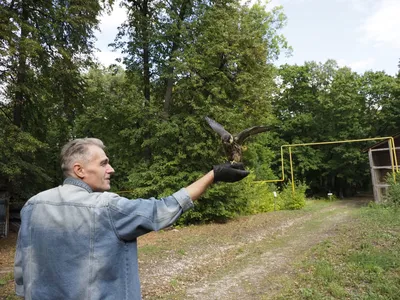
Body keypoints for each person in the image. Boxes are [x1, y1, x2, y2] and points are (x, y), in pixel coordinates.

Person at [14, 137, 249, 299]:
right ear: (79, 170)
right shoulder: (106, 207)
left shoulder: (33, 205)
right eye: (104, 163)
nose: (111, 169)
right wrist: (213, 176)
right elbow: (163, 209)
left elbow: (23, 269)